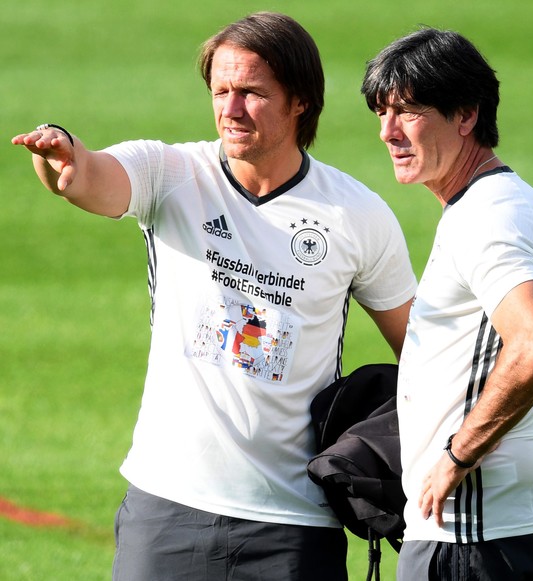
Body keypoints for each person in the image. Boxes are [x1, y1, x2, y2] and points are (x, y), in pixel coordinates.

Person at [12, 12, 417, 581]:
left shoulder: (358, 216)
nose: (230, 109)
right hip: (167, 507)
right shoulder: (172, 174)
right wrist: (66, 154)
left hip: (295, 525)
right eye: (220, 91)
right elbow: (93, 178)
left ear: (300, 101)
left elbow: (423, 353)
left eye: (251, 93)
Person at [361, 27, 533, 580]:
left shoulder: (487, 218)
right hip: (510, 523)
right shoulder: (506, 201)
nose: (388, 132)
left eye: (408, 111)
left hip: (474, 534)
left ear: (465, 114)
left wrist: (455, 456)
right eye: (381, 113)